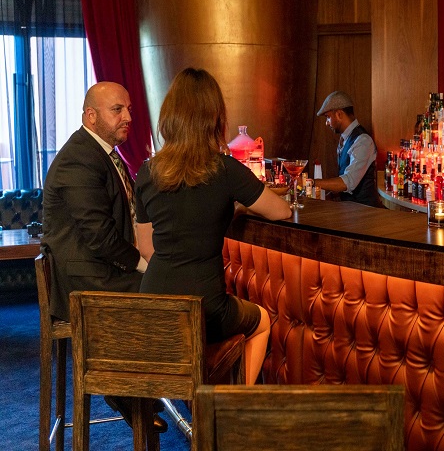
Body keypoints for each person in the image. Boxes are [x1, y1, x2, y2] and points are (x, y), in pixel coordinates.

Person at [135, 68, 291, 385]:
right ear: (214, 118)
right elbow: (281, 211)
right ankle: (233, 404)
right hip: (206, 307)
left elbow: (146, 248)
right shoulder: (225, 169)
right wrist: (236, 207)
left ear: (169, 116)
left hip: (154, 303)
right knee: (262, 321)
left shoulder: (148, 172)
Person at [42, 81, 168, 433]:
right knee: (164, 290)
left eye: (129, 109)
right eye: (117, 110)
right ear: (91, 116)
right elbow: (100, 236)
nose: (128, 117)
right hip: (83, 280)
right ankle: (125, 386)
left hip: (97, 266)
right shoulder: (79, 159)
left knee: (165, 280)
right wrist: (144, 264)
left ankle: (139, 383)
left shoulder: (101, 154)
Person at [314, 91, 382, 207]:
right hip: (350, 210)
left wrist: (310, 182)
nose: (327, 123)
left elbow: (348, 182)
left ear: (339, 114)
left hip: (366, 211)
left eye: (328, 117)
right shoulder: (345, 139)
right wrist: (330, 195)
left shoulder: (363, 141)